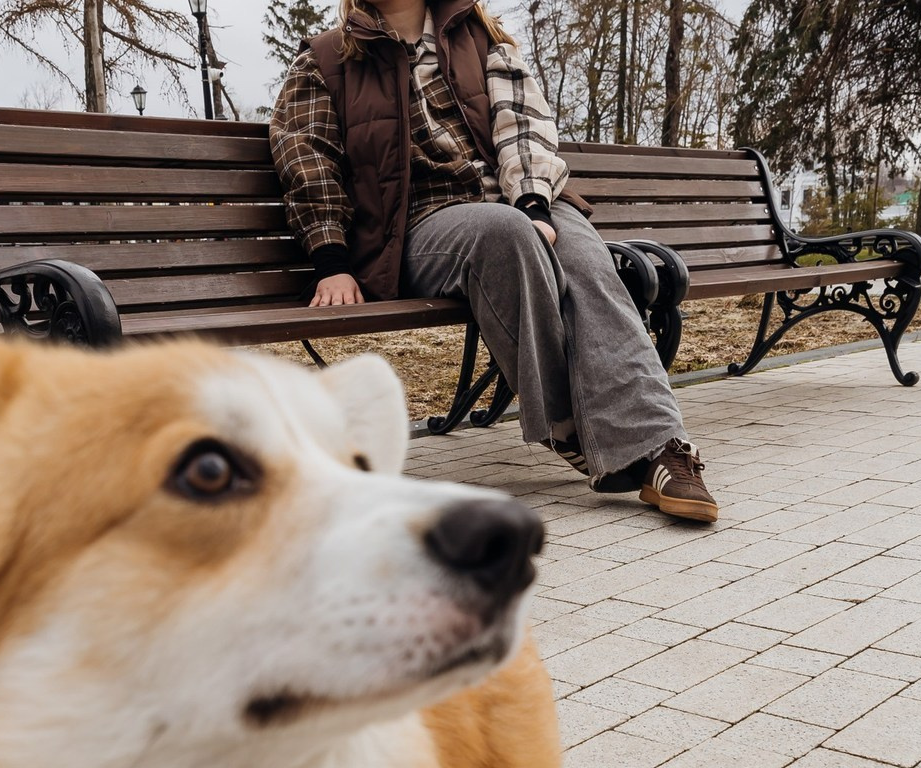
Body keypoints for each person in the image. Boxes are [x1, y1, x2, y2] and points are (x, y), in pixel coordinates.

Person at [270, 0, 718, 522]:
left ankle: (664, 449)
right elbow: (308, 159)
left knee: (586, 258)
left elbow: (523, 127)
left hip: (517, 199)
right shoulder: (325, 60)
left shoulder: (482, 40)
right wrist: (331, 260)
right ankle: (567, 424)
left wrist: (531, 201)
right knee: (504, 234)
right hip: (415, 227)